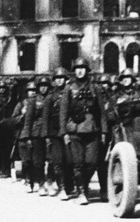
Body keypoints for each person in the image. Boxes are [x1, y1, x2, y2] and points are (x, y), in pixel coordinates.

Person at [60, 57, 107, 205]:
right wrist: (64, 133)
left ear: (87, 70)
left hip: (92, 130)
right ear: (74, 71)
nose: (80, 71)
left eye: (83, 68)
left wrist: (104, 132)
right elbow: (63, 112)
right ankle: (82, 191)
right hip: (74, 130)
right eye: (77, 68)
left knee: (92, 162)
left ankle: (83, 184)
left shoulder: (95, 88)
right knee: (78, 163)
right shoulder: (69, 89)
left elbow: (101, 112)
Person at [43, 67, 73, 199]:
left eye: (62, 78)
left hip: (68, 131)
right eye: (57, 78)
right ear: (54, 81)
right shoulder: (50, 97)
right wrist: (46, 135)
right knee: (58, 161)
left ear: (66, 80)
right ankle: (61, 188)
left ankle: (68, 186)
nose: (59, 81)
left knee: (69, 160)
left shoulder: (71, 93)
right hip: (54, 133)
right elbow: (45, 118)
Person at [22, 77, 50, 195]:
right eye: (41, 85)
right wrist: (27, 136)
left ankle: (44, 182)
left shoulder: (50, 98)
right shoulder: (33, 100)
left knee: (45, 160)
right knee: (35, 161)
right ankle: (34, 182)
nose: (43, 88)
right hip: (36, 133)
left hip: (48, 132)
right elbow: (28, 120)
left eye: (45, 85)